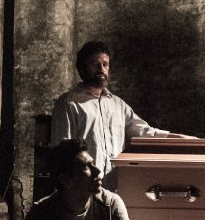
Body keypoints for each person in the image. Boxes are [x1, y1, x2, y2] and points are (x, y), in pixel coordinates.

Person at [51, 40, 193, 190]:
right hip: (83, 190)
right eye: (94, 64)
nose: (101, 69)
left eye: (105, 64)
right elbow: (61, 151)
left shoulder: (118, 105)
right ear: (82, 69)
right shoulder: (68, 103)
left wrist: (178, 138)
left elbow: (145, 132)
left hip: (115, 189)